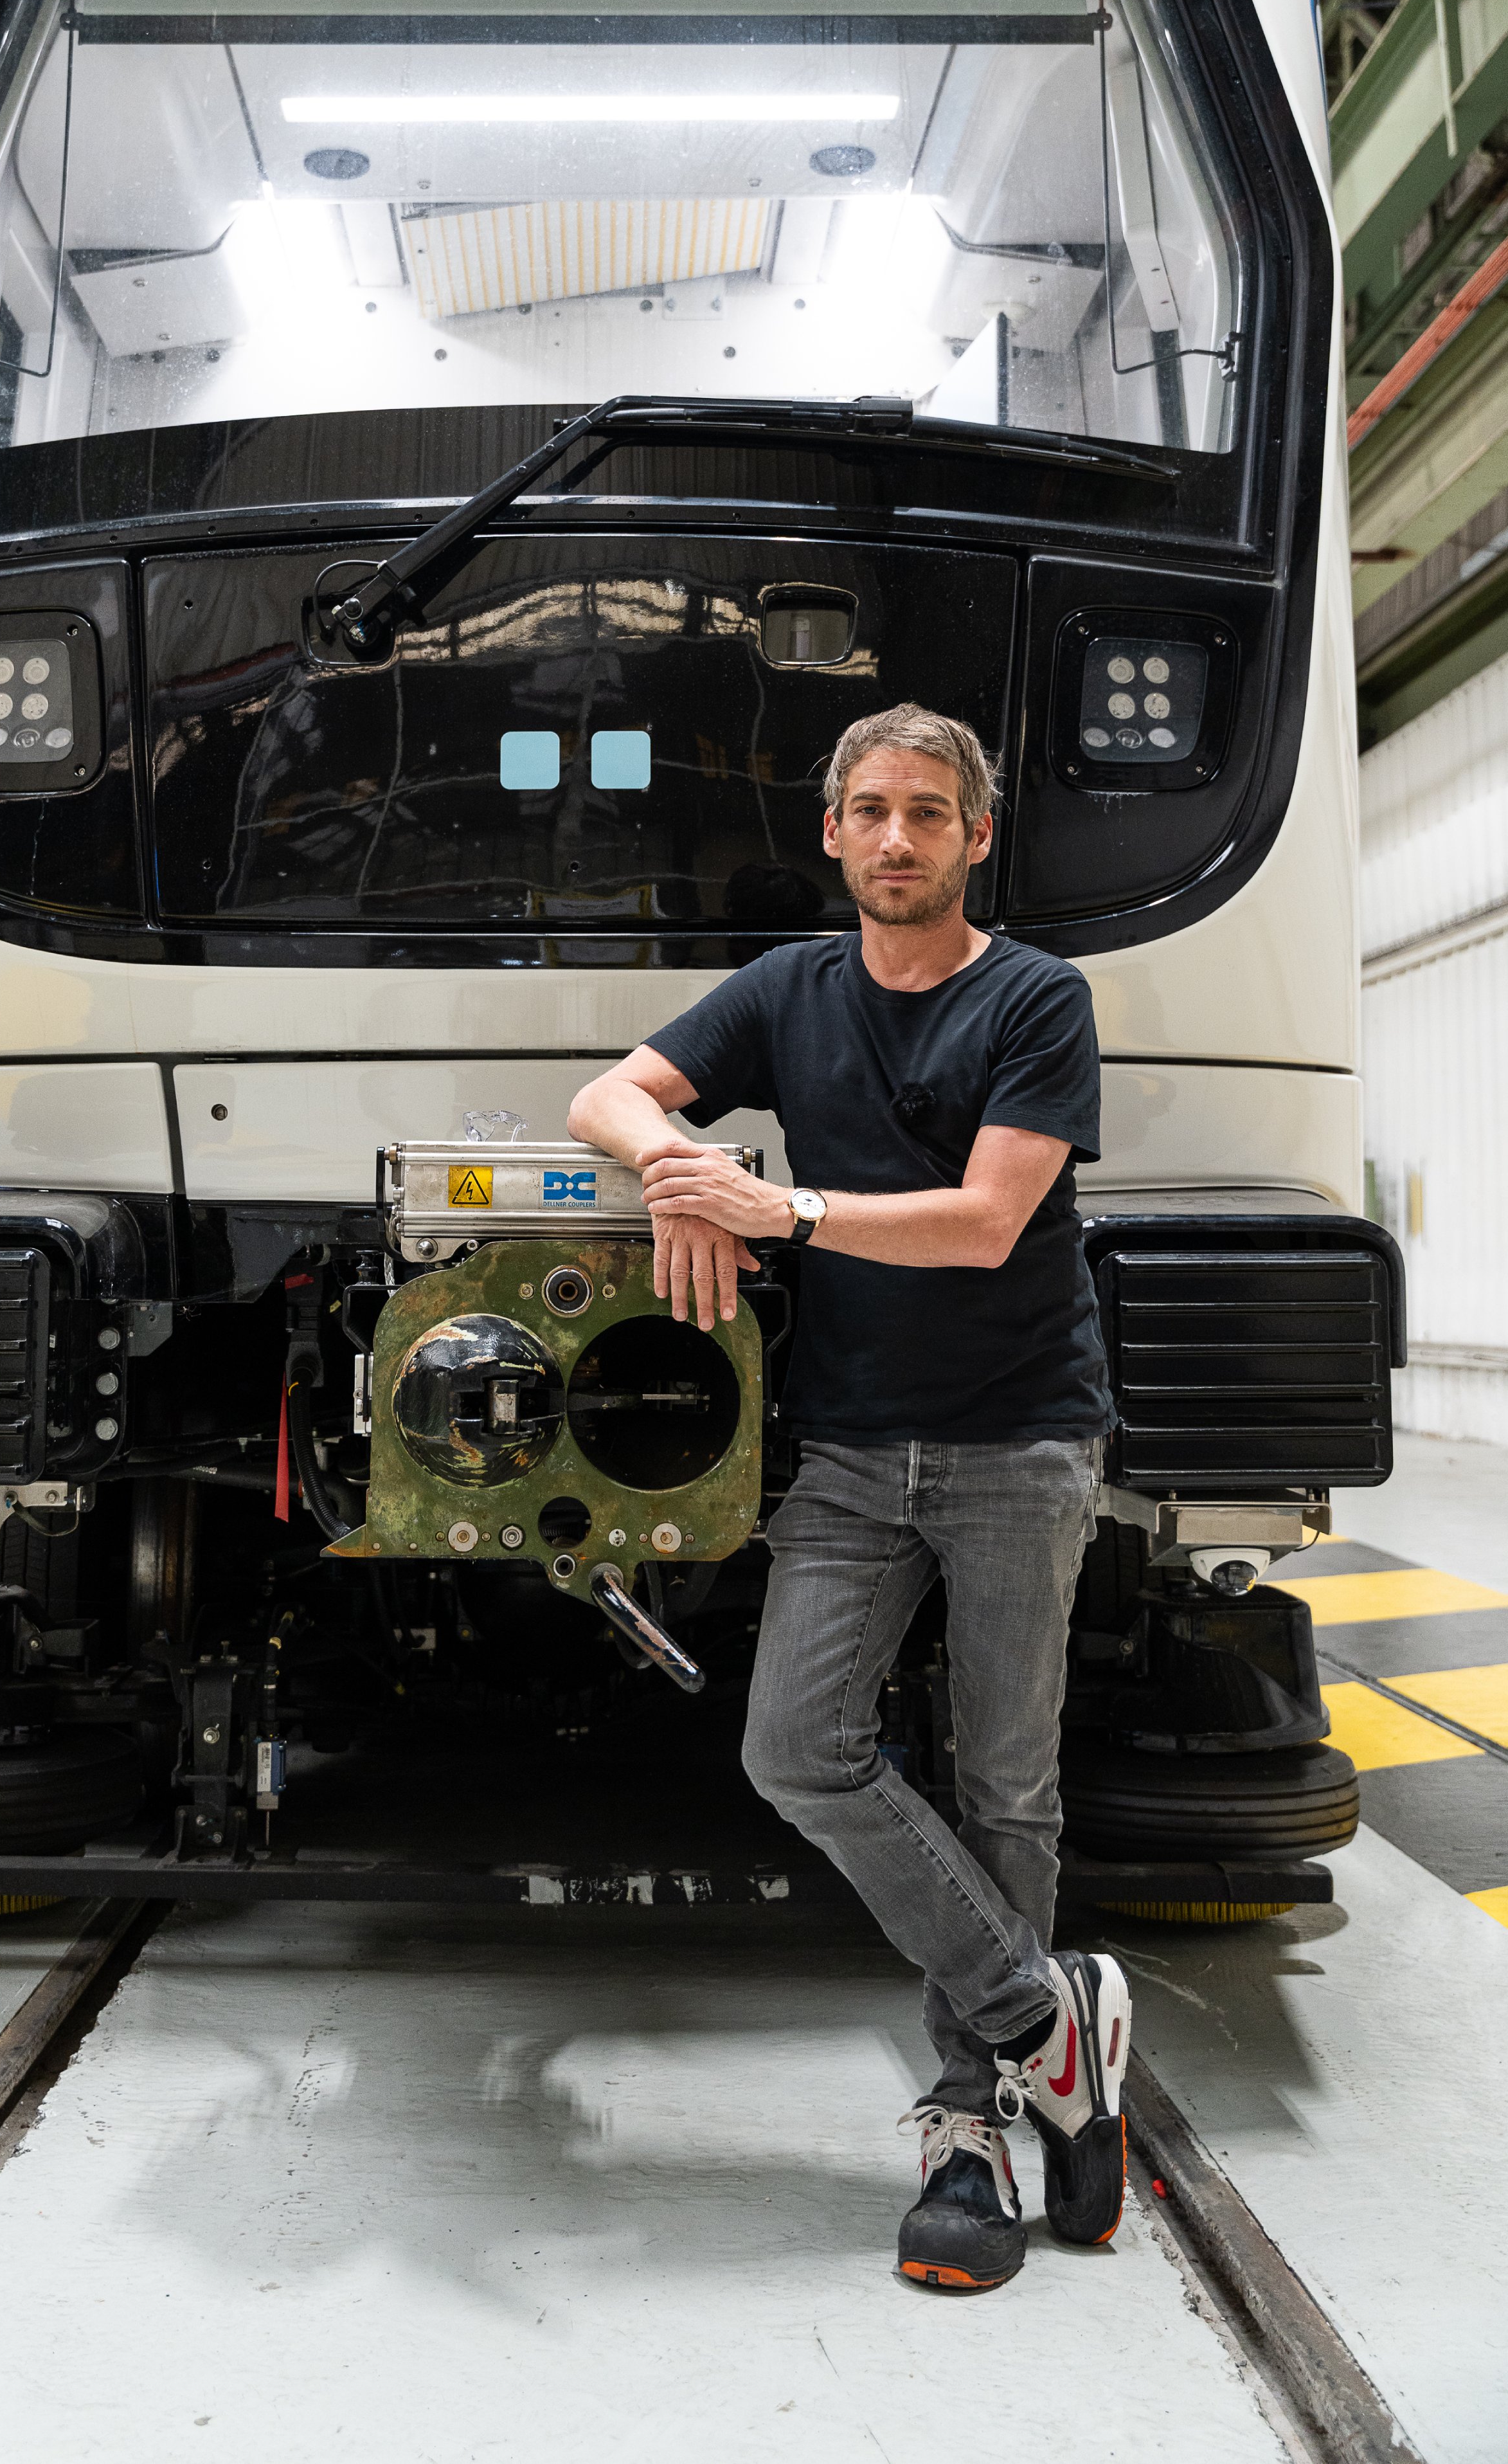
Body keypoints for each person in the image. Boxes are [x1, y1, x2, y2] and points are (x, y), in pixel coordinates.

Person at [567, 700, 1131, 2294]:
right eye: (870, 811)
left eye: (929, 815)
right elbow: (609, 1097)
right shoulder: (790, 989)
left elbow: (983, 1224)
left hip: (1021, 1436)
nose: (897, 838)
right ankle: (1047, 2024)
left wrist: (782, 1203)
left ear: (977, 838)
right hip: (853, 1447)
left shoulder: (1036, 998)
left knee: (1008, 1782)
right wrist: (675, 1175)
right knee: (794, 1747)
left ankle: (973, 2128)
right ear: (833, 832)